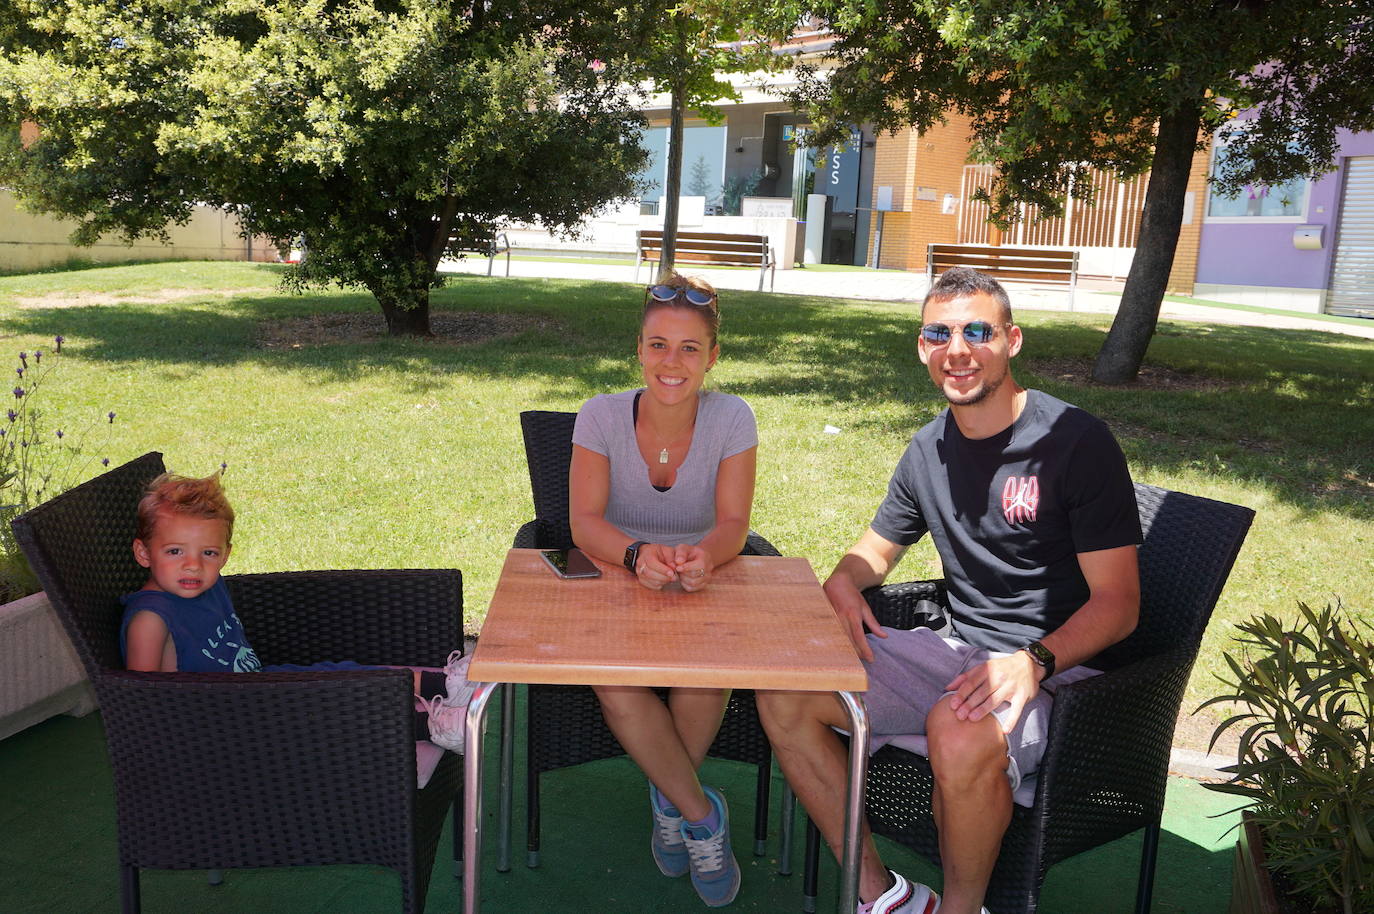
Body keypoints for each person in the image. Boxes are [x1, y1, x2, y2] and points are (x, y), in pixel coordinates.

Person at [756, 267, 1142, 914]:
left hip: (1059, 669)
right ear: (922, 347)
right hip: (953, 650)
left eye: (977, 332)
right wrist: (844, 581)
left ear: (1012, 340)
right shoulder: (928, 448)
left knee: (957, 730)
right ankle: (881, 896)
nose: (957, 350)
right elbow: (874, 551)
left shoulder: (1076, 442)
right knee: (784, 688)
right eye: (939, 334)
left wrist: (1034, 660)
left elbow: (1119, 605)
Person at [567, 272, 757, 908]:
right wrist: (633, 554)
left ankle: (669, 801)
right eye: (658, 345)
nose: (671, 363)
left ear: (712, 356)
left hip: (699, 581)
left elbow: (734, 524)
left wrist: (705, 557)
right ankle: (701, 813)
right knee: (614, 681)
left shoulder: (734, 418)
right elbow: (583, 522)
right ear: (639, 349)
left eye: (689, 348)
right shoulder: (599, 414)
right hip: (616, 577)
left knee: (708, 674)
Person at [120, 471, 475, 753]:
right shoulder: (150, 619)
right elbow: (141, 706)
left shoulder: (206, 585)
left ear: (225, 555)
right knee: (331, 711)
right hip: (225, 722)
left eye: (208, 553)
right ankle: (432, 727)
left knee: (341, 674)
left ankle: (444, 685)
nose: (193, 565)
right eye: (175, 551)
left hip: (257, 688)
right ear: (143, 553)